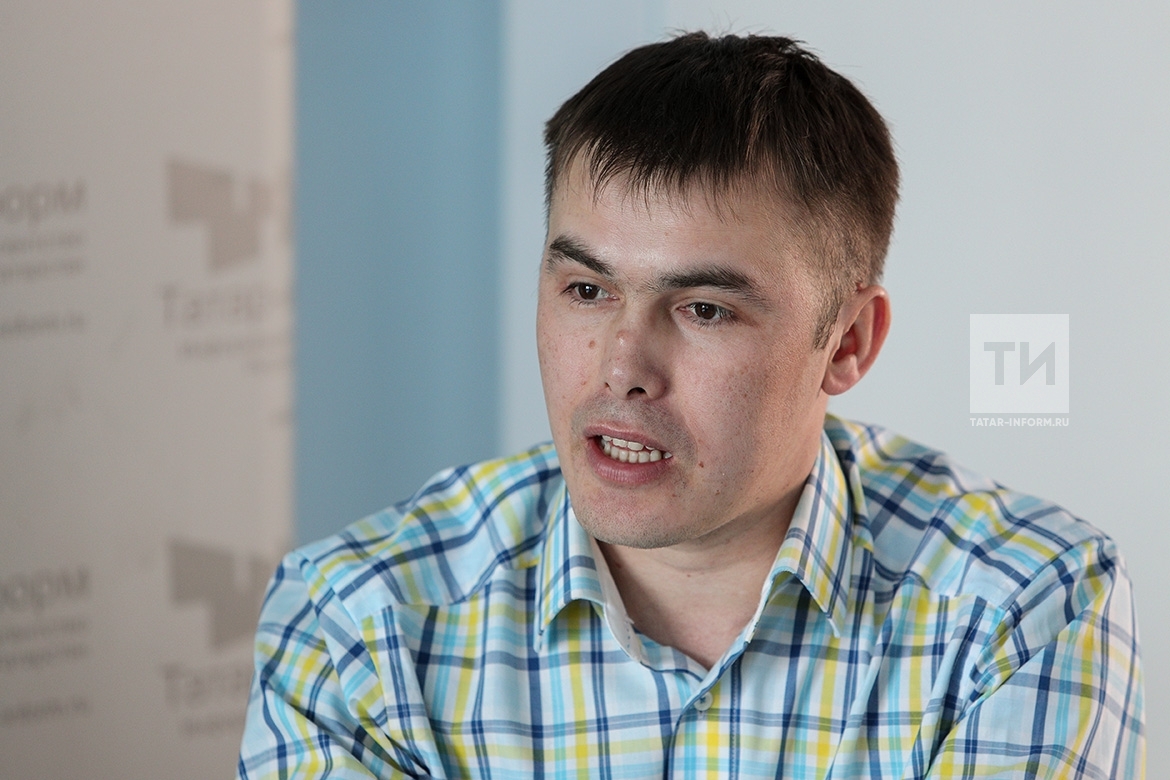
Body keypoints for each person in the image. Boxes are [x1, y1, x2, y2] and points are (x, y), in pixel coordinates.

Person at [237, 32, 1144, 778]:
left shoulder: (1024, 608)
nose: (622, 369)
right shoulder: (359, 621)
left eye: (704, 309)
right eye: (586, 290)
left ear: (847, 342)